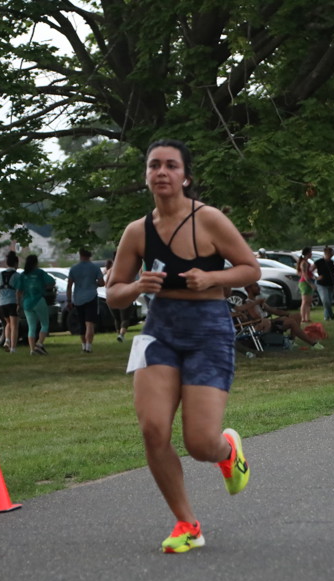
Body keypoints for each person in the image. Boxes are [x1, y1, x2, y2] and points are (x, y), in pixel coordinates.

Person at [105, 139, 261, 554]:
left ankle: (226, 451)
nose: (161, 172)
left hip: (208, 331)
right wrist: (137, 286)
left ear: (186, 177)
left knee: (199, 443)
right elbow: (114, 294)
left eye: (171, 165)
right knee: (153, 429)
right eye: (154, 165)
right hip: (159, 332)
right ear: (146, 175)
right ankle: (187, 524)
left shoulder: (208, 220)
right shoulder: (137, 231)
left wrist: (212, 279)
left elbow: (251, 268)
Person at [233, 283, 325, 349]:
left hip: (268, 322)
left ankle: (291, 341)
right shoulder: (248, 303)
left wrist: (287, 314)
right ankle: (313, 343)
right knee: (290, 322)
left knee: (296, 316)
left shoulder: (259, 302)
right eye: (256, 286)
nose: (259, 288)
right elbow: (256, 318)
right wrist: (261, 307)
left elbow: (274, 311)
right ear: (248, 289)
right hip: (262, 325)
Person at [16, 254, 55, 355]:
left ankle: (32, 350)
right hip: (38, 300)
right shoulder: (39, 272)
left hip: (27, 302)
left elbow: (18, 291)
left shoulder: (23, 275)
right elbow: (51, 281)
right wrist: (44, 287)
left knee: (31, 326)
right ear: (36, 263)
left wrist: (18, 304)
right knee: (45, 324)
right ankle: (40, 344)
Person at [67, 248, 105, 353]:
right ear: (90, 255)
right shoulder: (95, 267)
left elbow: (69, 285)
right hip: (91, 296)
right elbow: (102, 283)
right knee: (90, 323)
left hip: (78, 298)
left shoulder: (74, 268)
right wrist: (94, 284)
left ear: (80, 255)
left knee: (81, 323)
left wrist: (69, 300)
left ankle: (83, 345)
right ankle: (89, 346)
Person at [0, 250, 20, 353]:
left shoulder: (0, 274)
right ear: (16, 264)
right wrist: (19, 303)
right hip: (12, 302)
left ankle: (7, 341)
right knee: (14, 325)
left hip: (1, 303)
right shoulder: (17, 275)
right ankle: (13, 348)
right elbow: (19, 291)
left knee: (8, 323)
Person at [103, 259, 136, 342]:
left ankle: (119, 335)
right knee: (125, 318)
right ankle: (121, 335)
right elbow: (131, 283)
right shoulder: (126, 270)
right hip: (124, 295)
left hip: (112, 296)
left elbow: (106, 285)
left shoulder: (110, 271)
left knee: (117, 318)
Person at [313, 247, 334, 321]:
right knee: (325, 301)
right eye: (331, 253)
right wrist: (316, 277)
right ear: (327, 253)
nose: (332, 254)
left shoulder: (331, 263)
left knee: (329, 301)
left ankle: (327, 316)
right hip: (322, 284)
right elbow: (310, 270)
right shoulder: (319, 262)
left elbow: (333, 273)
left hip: (331, 284)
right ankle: (331, 314)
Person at [295, 247, 314, 324]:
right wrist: (310, 284)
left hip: (307, 282)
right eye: (310, 253)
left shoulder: (306, 262)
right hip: (304, 283)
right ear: (307, 253)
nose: (311, 254)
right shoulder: (304, 263)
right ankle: (303, 318)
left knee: (309, 301)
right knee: (305, 301)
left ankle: (307, 317)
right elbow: (304, 274)